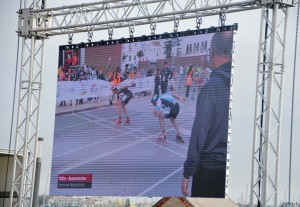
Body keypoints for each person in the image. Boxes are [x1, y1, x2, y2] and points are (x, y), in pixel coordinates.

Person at [181, 31, 233, 198]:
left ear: (212, 51)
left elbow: (199, 132)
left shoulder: (212, 87)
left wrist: (188, 172)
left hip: (209, 171)